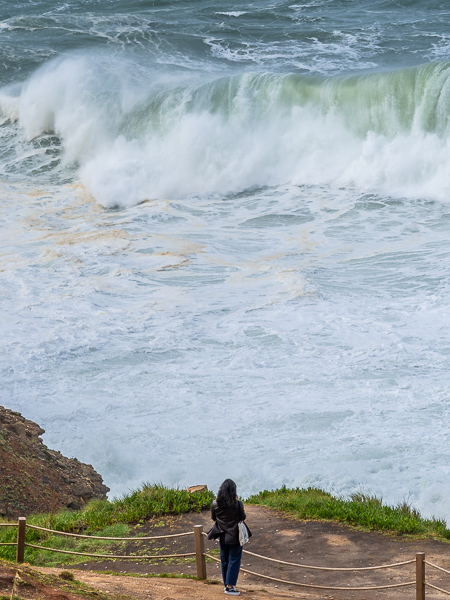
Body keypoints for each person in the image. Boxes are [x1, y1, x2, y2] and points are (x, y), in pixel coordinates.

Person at [209, 479, 247, 596]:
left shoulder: (215, 504)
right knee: (234, 559)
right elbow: (243, 517)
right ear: (233, 491)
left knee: (224, 559)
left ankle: (226, 584)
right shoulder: (238, 504)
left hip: (222, 535)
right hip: (235, 536)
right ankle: (230, 587)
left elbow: (213, 517)